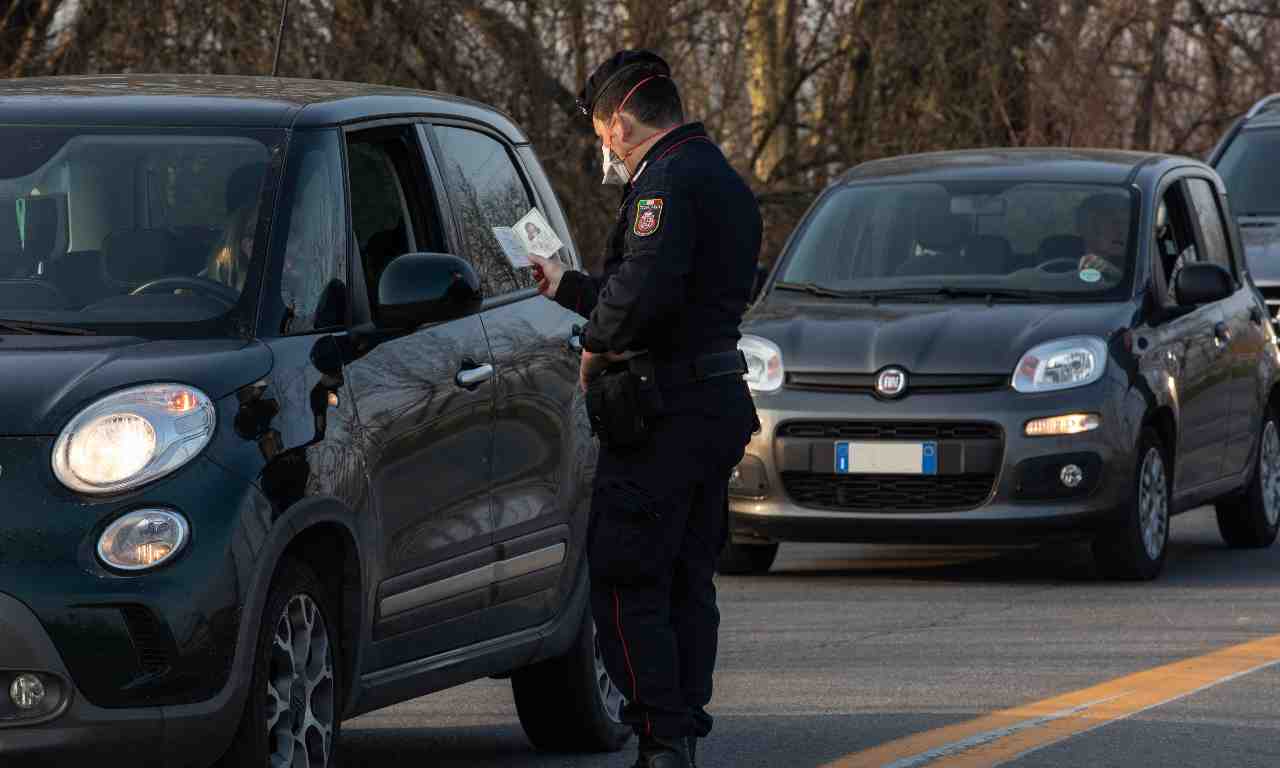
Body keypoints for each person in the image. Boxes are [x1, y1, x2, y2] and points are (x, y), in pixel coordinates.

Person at [527, 50, 761, 768]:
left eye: (603, 133)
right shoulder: (718, 176)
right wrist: (570, 287)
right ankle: (681, 727)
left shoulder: (665, 182)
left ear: (623, 121)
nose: (604, 148)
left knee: (629, 577)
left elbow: (644, 297)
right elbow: (664, 290)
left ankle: (661, 736)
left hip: (666, 412)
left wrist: (593, 346)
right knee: (688, 575)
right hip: (711, 399)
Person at [1076, 191, 1131, 283]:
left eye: (1125, 223)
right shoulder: (1060, 257)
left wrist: (1111, 272)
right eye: (1113, 224)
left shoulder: (1137, 261)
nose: (1121, 231)